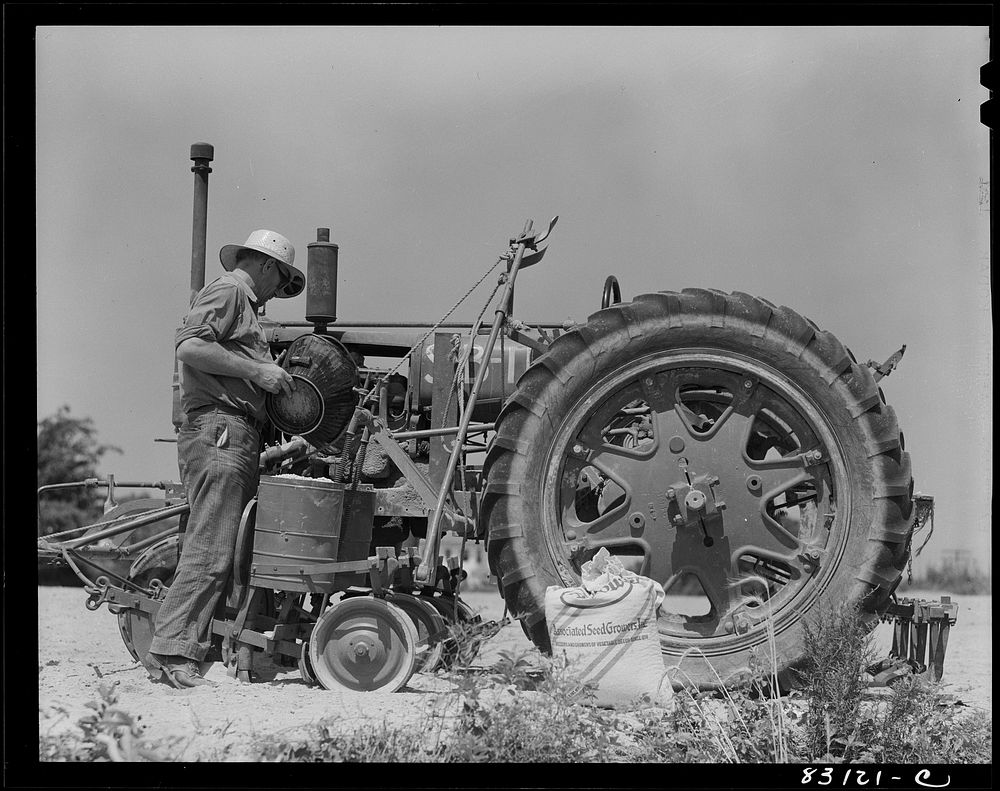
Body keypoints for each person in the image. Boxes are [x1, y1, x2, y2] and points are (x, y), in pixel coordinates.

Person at [145, 230, 305, 688]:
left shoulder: (244, 303)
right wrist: (258, 370)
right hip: (220, 431)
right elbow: (189, 346)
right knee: (213, 545)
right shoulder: (232, 289)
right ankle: (172, 650)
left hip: (233, 432)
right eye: (282, 280)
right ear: (268, 265)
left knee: (228, 549)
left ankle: (202, 644)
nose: (278, 292)